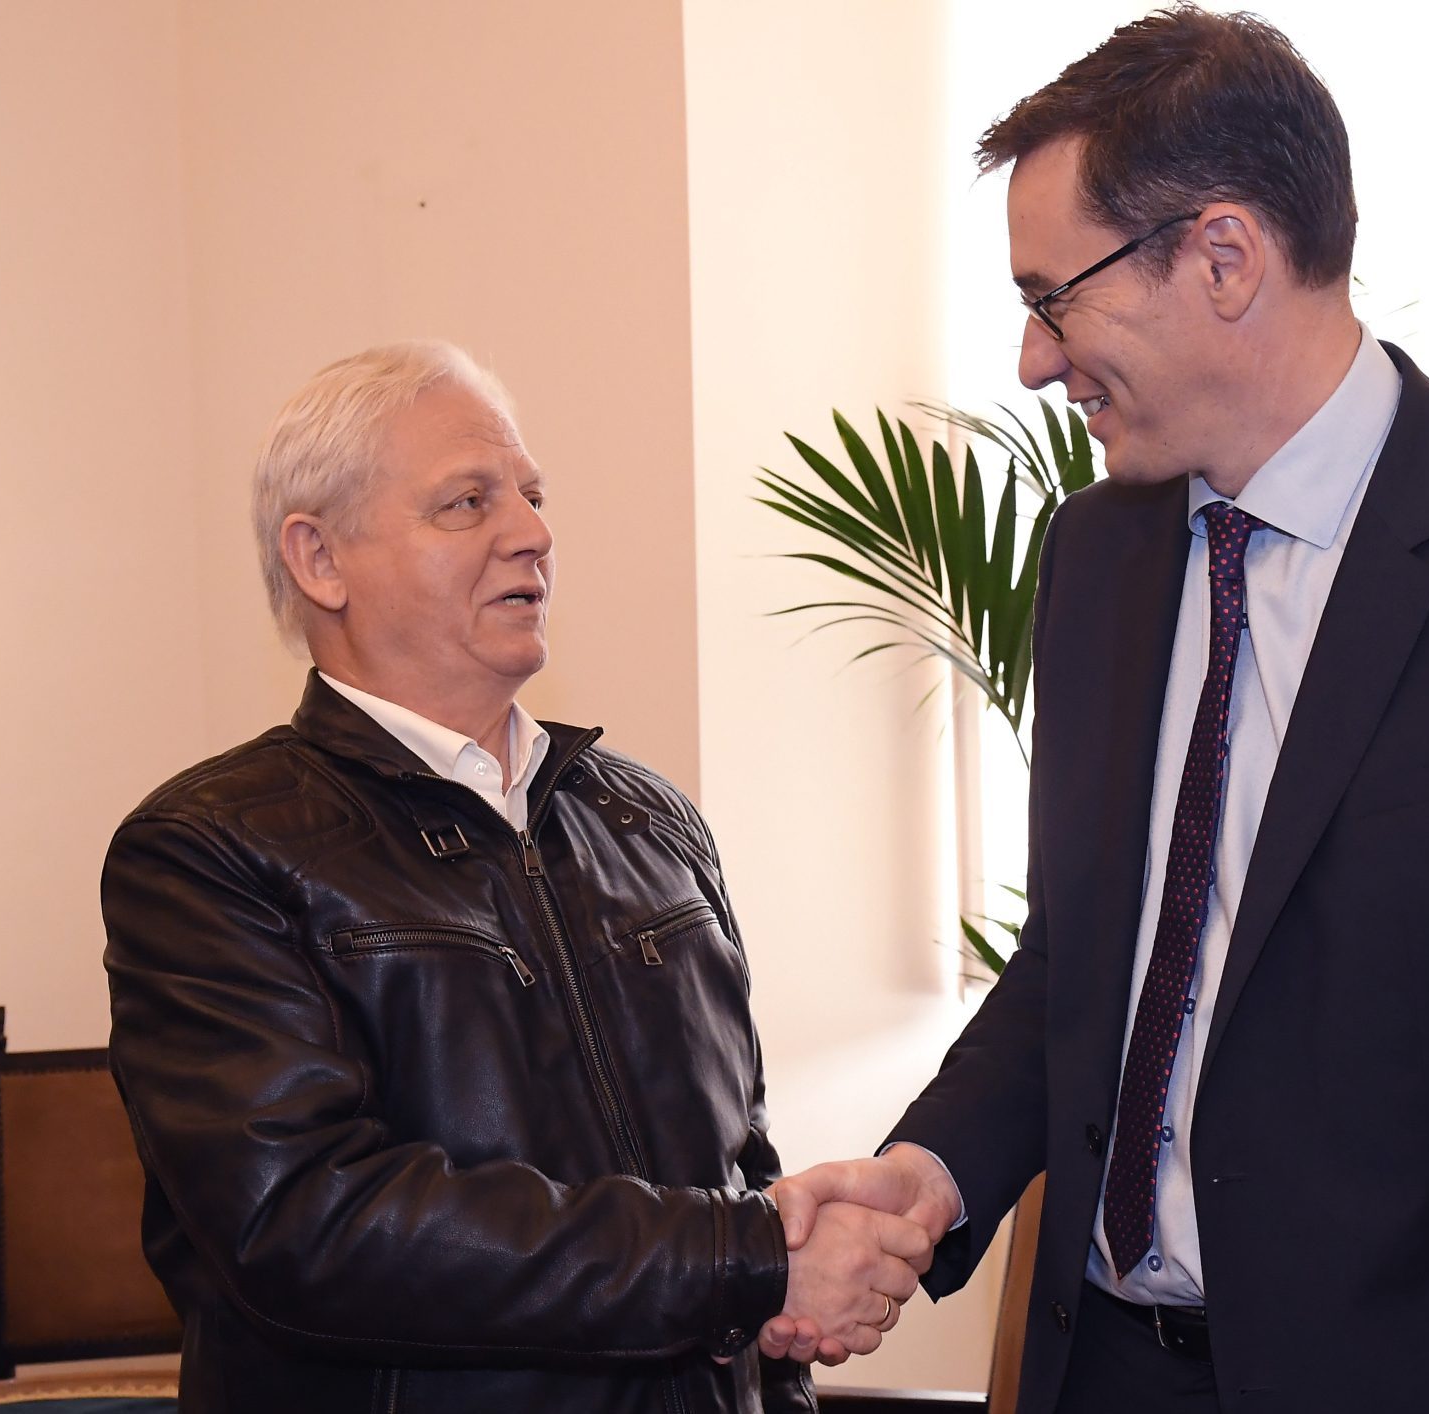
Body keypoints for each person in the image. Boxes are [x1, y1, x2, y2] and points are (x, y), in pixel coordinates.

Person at [764, 10, 1429, 1413]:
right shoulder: (1095, 553)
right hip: (1104, 1371)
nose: (1034, 358)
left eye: (1054, 297)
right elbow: (1080, 963)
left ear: (1224, 257)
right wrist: (929, 1176)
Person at [101, 342, 924, 1414]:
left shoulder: (651, 820)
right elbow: (309, 1226)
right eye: (467, 502)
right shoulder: (208, 850)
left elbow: (739, 1167)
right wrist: (749, 1257)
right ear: (320, 559)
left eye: (532, 496)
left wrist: (782, 1298)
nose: (532, 532)